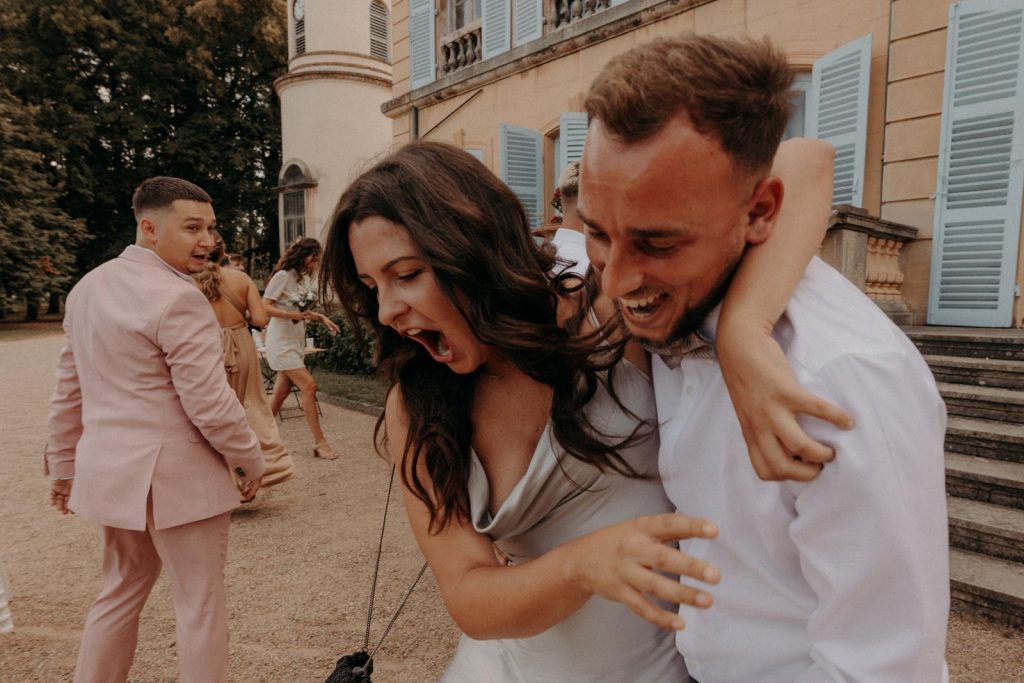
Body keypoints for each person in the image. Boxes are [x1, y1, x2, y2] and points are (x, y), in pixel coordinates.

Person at [320, 139, 843, 681]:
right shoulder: (416, 405)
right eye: (371, 286)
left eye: (406, 274)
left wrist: (744, 332)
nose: (386, 311)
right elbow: (469, 597)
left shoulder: (608, 317)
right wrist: (583, 564)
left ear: (474, 245)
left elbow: (803, 161)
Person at [580, 34, 950, 681]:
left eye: (657, 243)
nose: (613, 281)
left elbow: (883, 669)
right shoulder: (678, 298)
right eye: (596, 231)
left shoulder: (841, 380)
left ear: (761, 211)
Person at [44, 176, 265, 682]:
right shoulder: (179, 298)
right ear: (149, 227)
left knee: (119, 592)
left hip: (112, 474)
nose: (207, 240)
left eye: (210, 227)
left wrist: (63, 466)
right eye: (192, 228)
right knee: (199, 604)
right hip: (179, 477)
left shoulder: (86, 288)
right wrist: (251, 458)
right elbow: (209, 403)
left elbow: (68, 391)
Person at [193, 259, 295, 495]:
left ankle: (222, 481)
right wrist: (242, 313)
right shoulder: (241, 279)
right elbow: (261, 319)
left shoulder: (187, 280)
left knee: (214, 410)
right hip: (240, 344)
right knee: (251, 405)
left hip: (206, 345)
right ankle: (263, 468)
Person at [262, 237, 340, 459]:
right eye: (313, 259)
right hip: (280, 343)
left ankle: (257, 441)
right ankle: (320, 443)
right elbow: (264, 306)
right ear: (302, 255)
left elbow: (301, 312)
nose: (314, 264)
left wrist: (321, 318)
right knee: (309, 385)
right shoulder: (282, 276)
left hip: (294, 341)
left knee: (279, 395)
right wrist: (290, 315)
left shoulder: (300, 279)